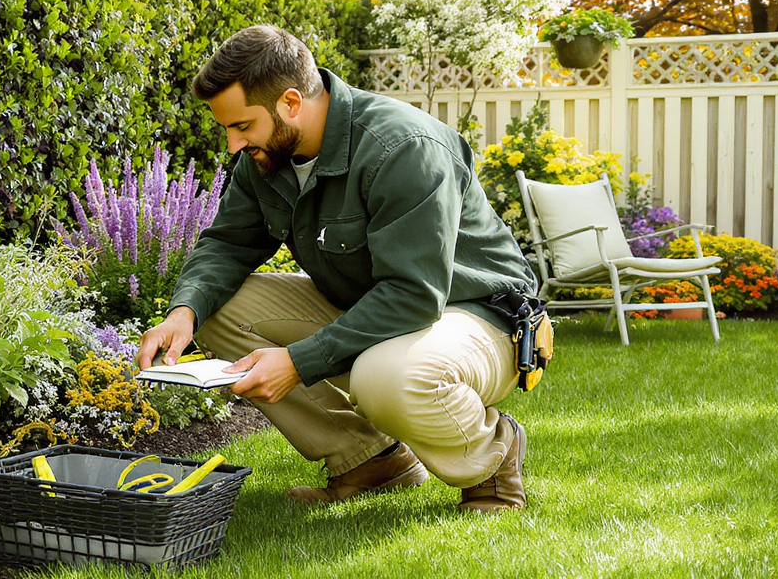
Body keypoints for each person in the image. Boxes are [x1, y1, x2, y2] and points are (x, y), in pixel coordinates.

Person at [138, 25, 539, 513]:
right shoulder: (268, 157)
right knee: (219, 310)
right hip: (382, 311)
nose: (232, 144)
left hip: (477, 314)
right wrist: (184, 313)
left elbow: (414, 294)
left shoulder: (404, 147)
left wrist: (297, 361)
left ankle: (493, 460)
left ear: (290, 102)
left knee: (386, 375)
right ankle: (369, 459)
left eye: (242, 126)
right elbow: (227, 244)